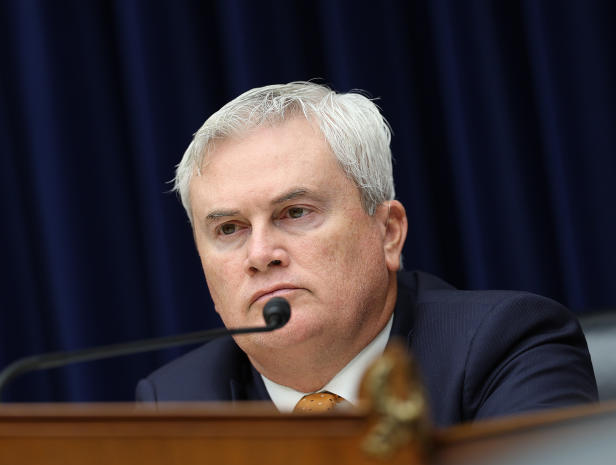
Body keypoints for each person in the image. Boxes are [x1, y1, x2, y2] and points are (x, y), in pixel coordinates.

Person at [135, 82, 597, 426]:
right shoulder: (175, 403)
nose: (260, 254)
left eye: (295, 212)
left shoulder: (506, 346)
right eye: (230, 228)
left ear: (389, 232)